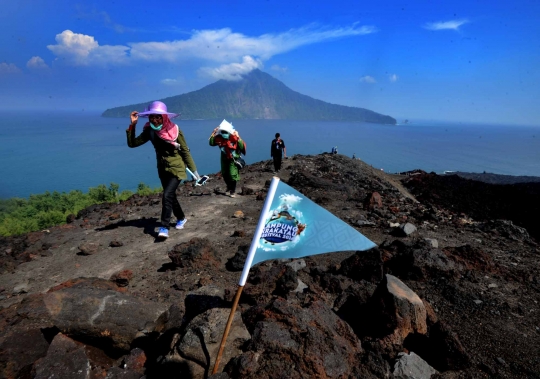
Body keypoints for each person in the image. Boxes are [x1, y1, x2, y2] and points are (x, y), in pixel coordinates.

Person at [126, 101, 201, 239]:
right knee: (170, 196)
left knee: (166, 195)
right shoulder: (150, 130)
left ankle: (164, 227)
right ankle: (181, 218)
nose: (155, 119)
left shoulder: (175, 130)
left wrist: (195, 173)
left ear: (164, 117)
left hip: (177, 168)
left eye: (158, 117)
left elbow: (185, 151)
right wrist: (133, 125)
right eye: (152, 117)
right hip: (162, 168)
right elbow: (132, 144)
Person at [209, 120, 246, 198]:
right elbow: (211, 143)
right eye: (222, 132)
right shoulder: (219, 138)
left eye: (225, 132)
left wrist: (238, 137)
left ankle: (232, 191)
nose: (224, 134)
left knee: (232, 174)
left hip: (233, 159)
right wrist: (213, 133)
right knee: (225, 174)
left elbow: (242, 146)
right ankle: (229, 187)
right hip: (224, 158)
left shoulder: (235, 138)